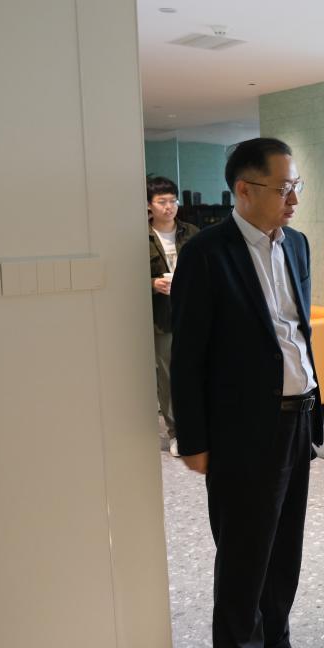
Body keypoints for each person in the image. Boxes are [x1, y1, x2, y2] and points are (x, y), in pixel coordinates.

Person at [170, 138, 323, 648]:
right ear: (244, 189)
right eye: (283, 189)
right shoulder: (206, 254)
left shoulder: (296, 244)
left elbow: (295, 332)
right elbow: (187, 355)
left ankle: (277, 641)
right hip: (242, 430)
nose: (293, 199)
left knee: (285, 555)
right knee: (243, 560)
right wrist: (194, 441)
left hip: (298, 419)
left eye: (296, 186)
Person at [147, 175, 198, 458]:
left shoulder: (191, 232)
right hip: (162, 317)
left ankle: (200, 427)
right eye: (162, 201)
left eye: (173, 200)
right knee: (169, 376)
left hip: (193, 311)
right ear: (149, 205)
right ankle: (177, 432)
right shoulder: (140, 236)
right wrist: (153, 283)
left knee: (198, 370)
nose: (169, 206)